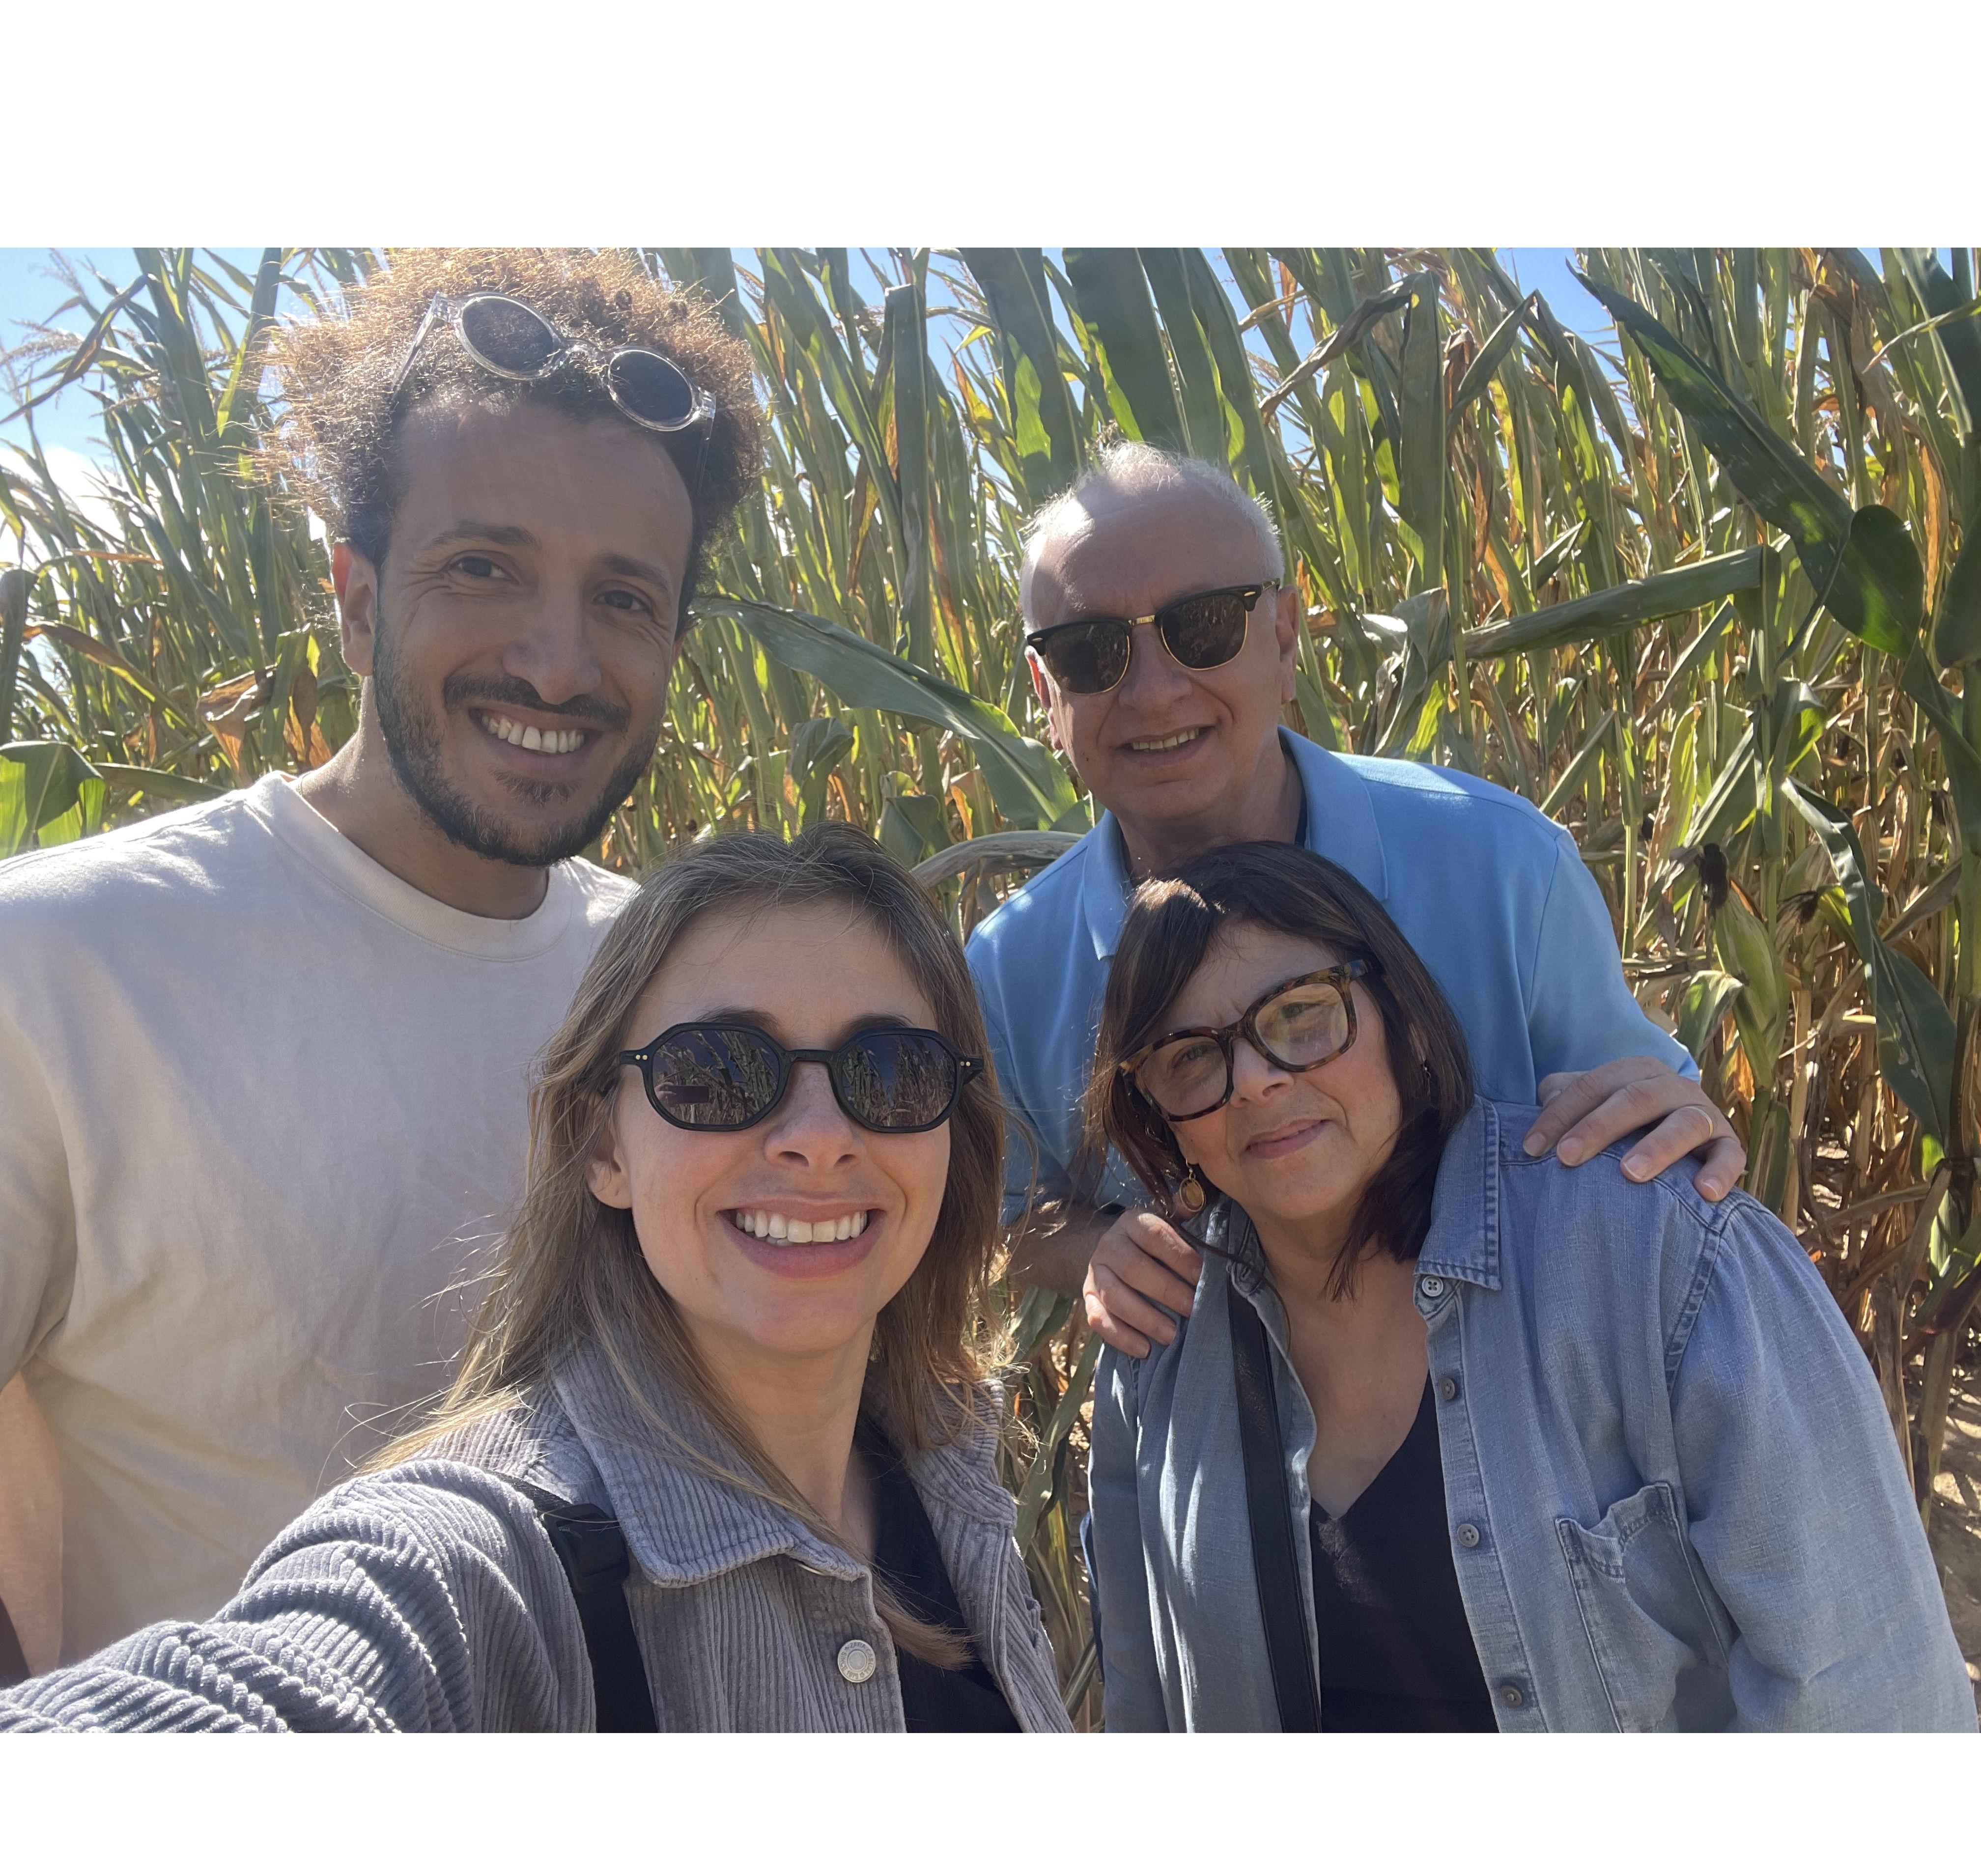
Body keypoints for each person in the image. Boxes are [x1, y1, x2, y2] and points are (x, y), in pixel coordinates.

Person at [0, 250, 763, 1673]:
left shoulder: (677, 991)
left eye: (624, 597)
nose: (557, 664)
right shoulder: (59, 969)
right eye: (482, 568)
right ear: (355, 599)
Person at [0, 828, 1070, 1732]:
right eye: (717, 1071)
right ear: (603, 1147)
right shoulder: (484, 1565)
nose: (820, 1136)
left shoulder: (944, 1458)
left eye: (891, 1073)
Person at [1083, 842, 1974, 1732]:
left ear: (1405, 1018)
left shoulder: (1658, 1250)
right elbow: (1143, 1706)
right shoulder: (1156, 1334)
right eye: (1189, 1059)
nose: (1255, 1080)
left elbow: (1871, 1694)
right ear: (1160, 1120)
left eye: (1301, 1014)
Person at [965, 440, 1746, 1364]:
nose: (1154, 690)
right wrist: (1090, 1249)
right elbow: (999, 1213)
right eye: (1091, 652)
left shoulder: (1505, 867)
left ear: (1285, 637)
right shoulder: (1008, 970)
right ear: (1045, 692)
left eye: (1201, 626)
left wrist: (1681, 1126)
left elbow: (1654, 1132)